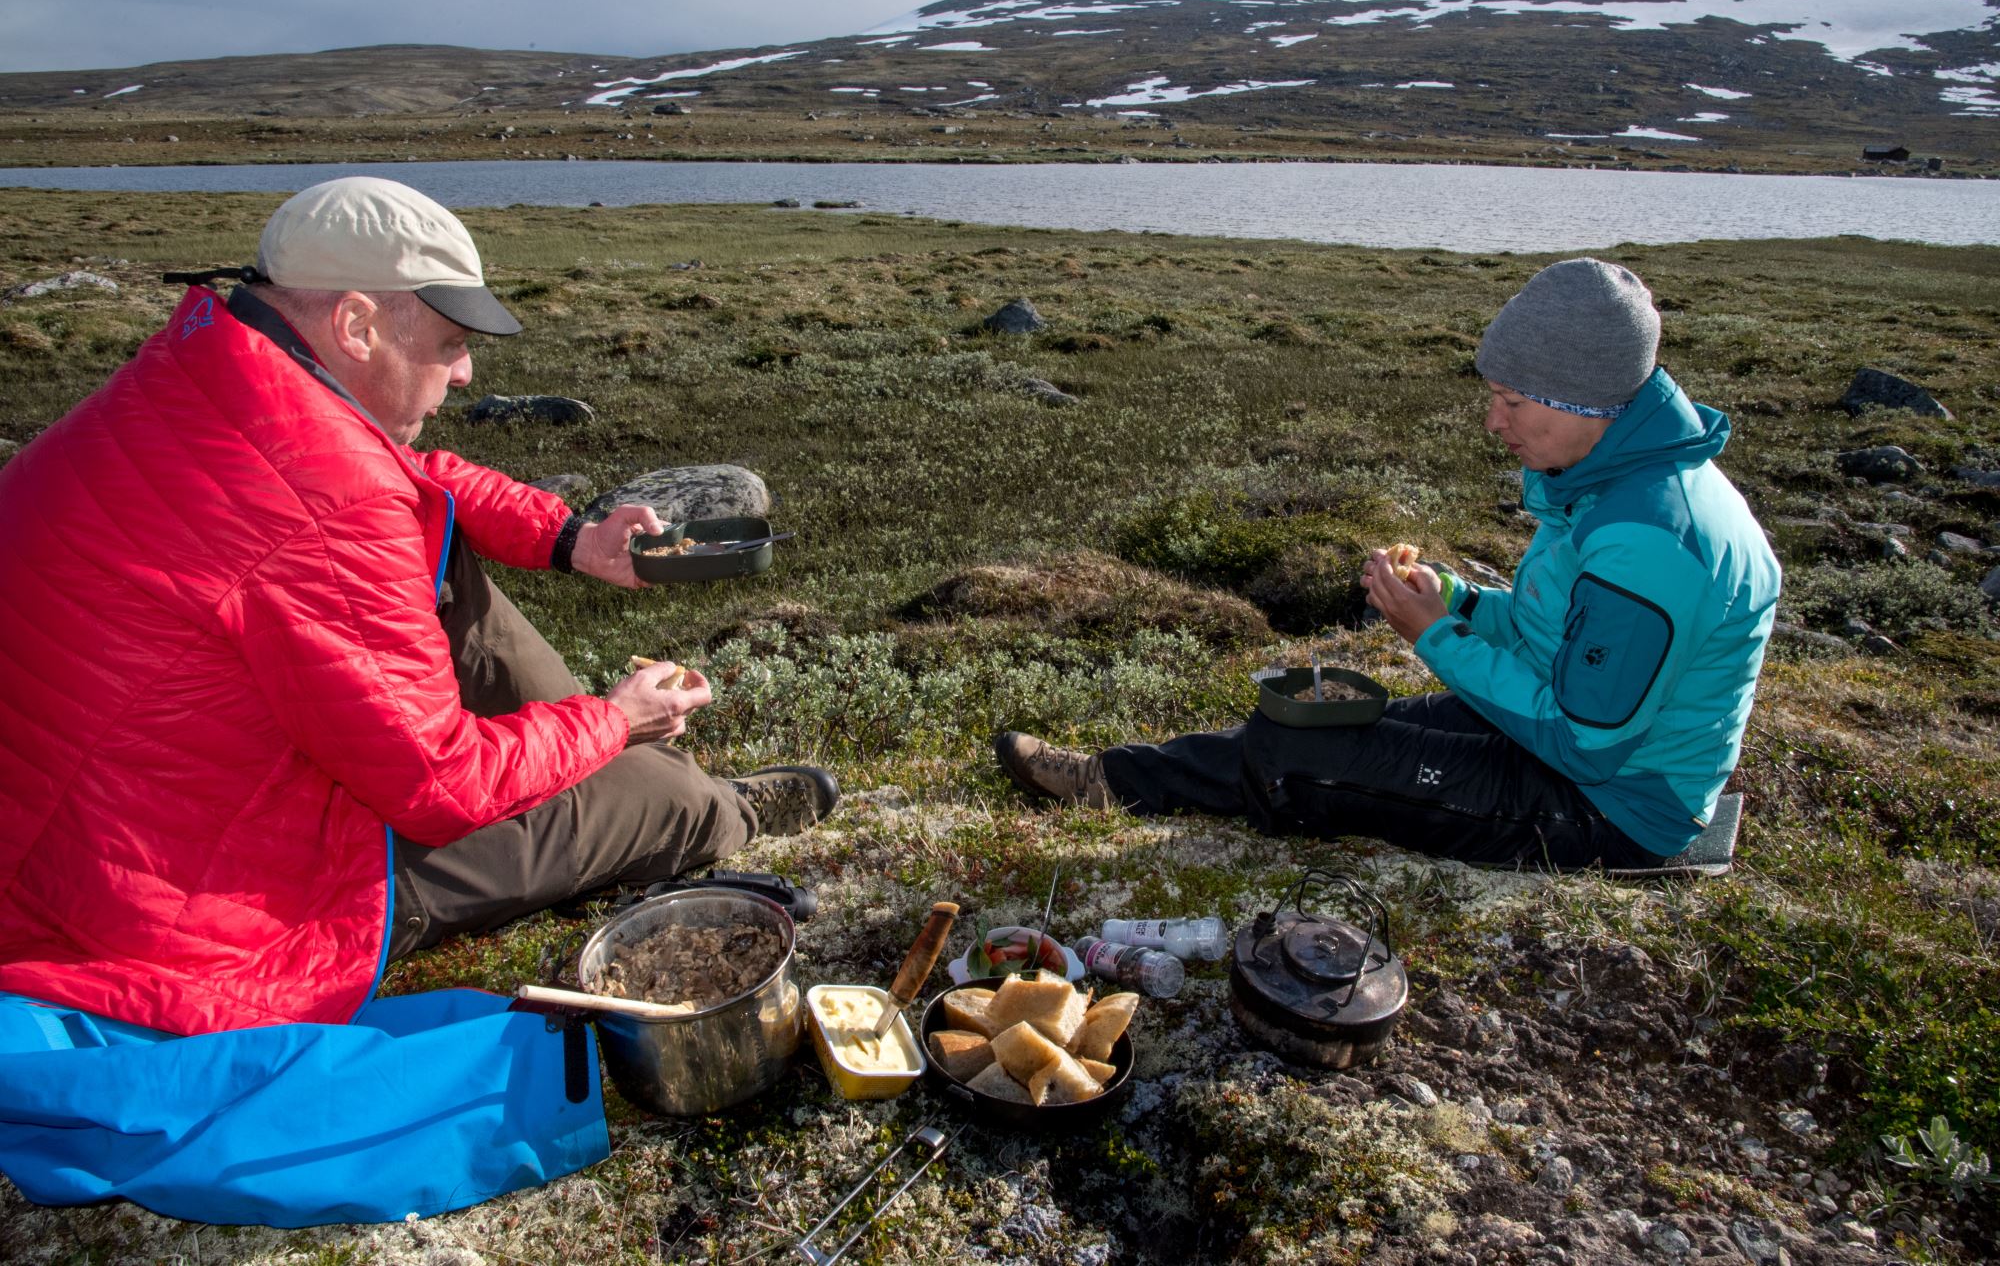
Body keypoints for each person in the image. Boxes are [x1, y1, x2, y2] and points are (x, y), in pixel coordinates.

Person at [0, 176, 837, 1039]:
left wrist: (570, 536)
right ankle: (707, 811)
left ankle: (618, 782)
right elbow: (439, 783)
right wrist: (613, 720)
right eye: (448, 339)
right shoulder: (326, 504)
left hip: (99, 826)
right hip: (192, 907)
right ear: (356, 325)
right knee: (661, 802)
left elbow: (414, 481)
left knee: (444, 557)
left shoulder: (211, 374)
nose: (467, 368)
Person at [996, 258, 1781, 871]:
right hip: (1580, 753)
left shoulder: (1651, 538)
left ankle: (1110, 786)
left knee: (1307, 756)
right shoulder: (1620, 486)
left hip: (1607, 808)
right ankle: (1112, 774)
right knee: (1313, 715)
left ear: (1585, 400)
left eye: (1513, 400)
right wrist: (1463, 602)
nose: (1492, 421)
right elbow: (1558, 637)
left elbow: (1584, 741)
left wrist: (1435, 637)